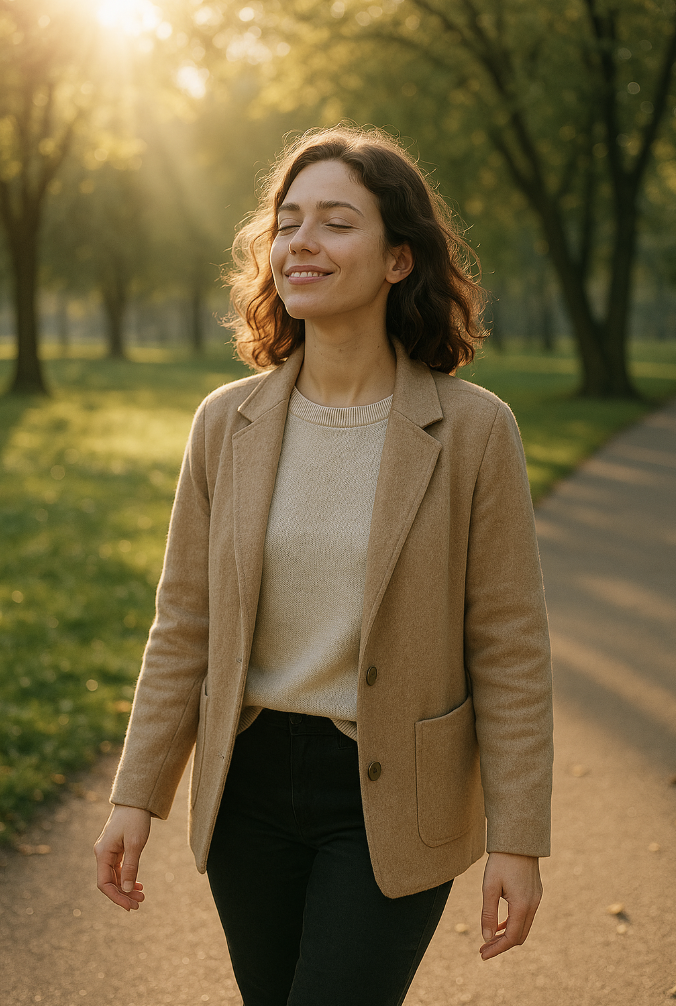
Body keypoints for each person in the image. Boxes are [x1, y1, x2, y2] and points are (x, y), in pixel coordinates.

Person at [95, 125, 553, 1006]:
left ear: (397, 260)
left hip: (392, 799)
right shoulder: (225, 423)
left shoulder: (474, 431)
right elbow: (183, 623)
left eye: (337, 222)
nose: (301, 242)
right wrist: (135, 796)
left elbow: (509, 644)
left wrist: (518, 836)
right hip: (249, 793)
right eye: (288, 221)